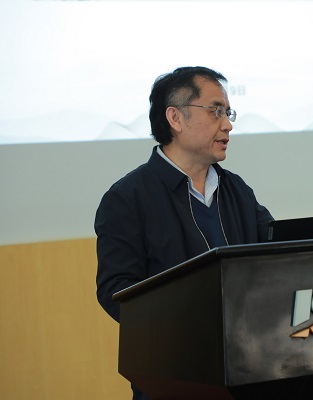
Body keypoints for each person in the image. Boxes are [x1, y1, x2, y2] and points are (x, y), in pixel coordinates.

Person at [95, 66, 274, 400]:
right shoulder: (127, 198)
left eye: (228, 112)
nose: (227, 124)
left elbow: (273, 254)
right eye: (216, 111)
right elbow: (117, 292)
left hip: (246, 371)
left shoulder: (236, 189)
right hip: (173, 379)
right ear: (175, 118)